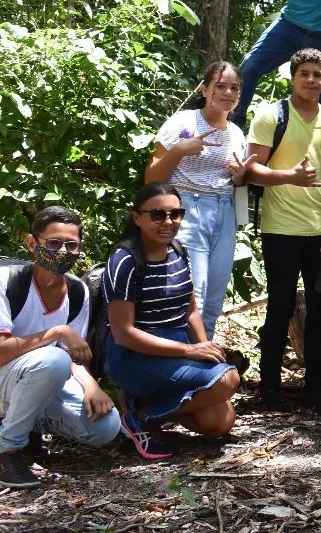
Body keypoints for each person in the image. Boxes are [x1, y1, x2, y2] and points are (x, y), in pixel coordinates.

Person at [0, 207, 119, 489]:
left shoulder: (77, 292)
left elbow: (73, 357)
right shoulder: (6, 280)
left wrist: (92, 386)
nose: (63, 252)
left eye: (72, 245)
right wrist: (57, 331)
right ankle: (3, 452)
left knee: (105, 427)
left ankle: (29, 425)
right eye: (54, 243)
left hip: (43, 374)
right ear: (33, 243)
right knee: (53, 358)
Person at [246, 48, 321, 412]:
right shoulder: (270, 116)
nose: (311, 80)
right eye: (304, 73)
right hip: (280, 230)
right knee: (280, 307)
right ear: (292, 76)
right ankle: (270, 387)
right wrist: (288, 176)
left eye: (318, 75)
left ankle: (315, 388)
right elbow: (250, 170)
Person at [105, 184, 240, 458]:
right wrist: (190, 351)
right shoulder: (124, 261)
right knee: (227, 380)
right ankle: (141, 418)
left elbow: (190, 311)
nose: (168, 222)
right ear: (136, 218)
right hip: (134, 357)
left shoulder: (178, 250)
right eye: (157, 215)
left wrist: (205, 349)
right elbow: (123, 334)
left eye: (176, 214)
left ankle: (148, 405)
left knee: (218, 423)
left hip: (177, 349)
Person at [145, 61, 251, 339]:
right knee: (195, 294)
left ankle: (204, 364)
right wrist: (179, 150)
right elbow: (151, 179)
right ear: (205, 90)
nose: (228, 92)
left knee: (214, 298)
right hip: (188, 211)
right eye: (221, 86)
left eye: (234, 88)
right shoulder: (184, 123)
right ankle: (179, 359)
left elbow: (235, 181)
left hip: (225, 213)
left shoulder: (237, 133)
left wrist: (240, 177)